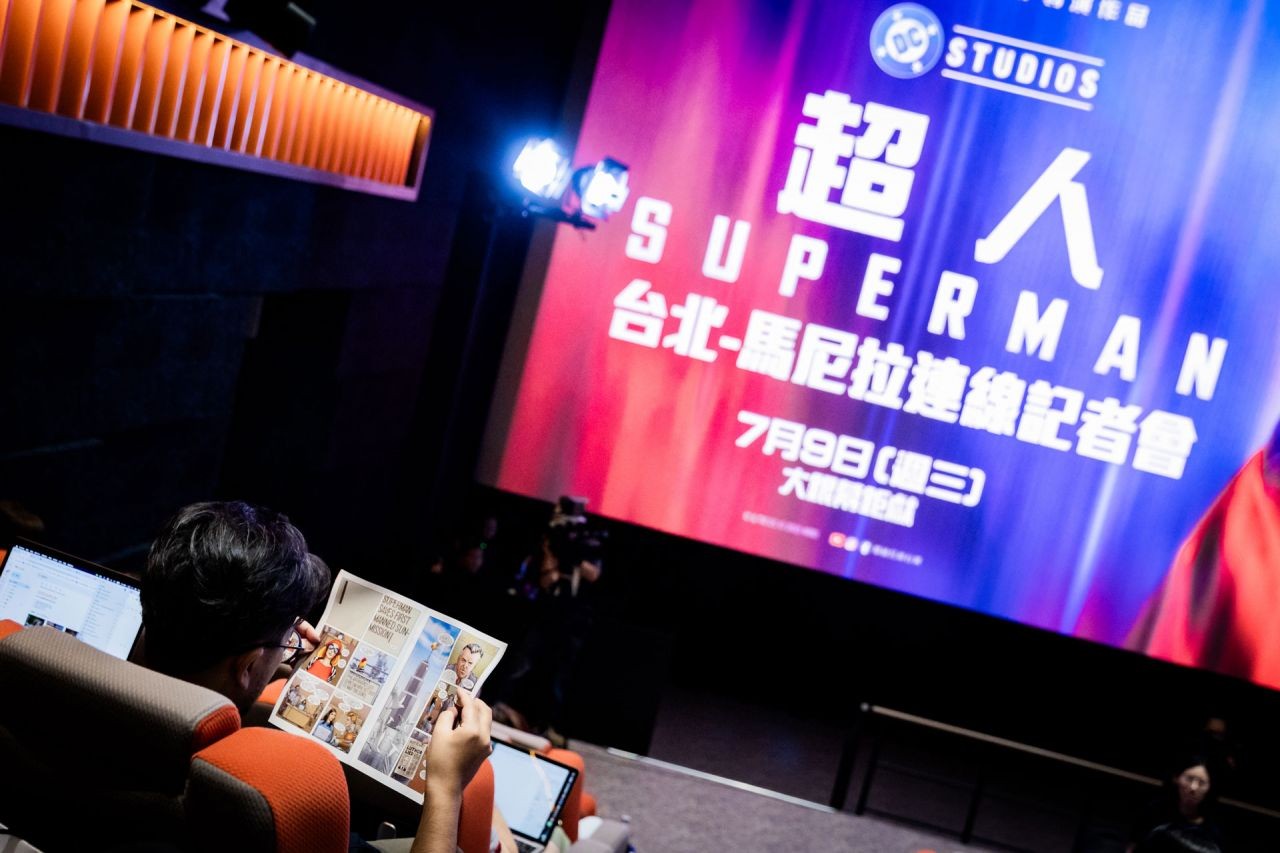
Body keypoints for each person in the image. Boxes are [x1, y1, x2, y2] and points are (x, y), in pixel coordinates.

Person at [139, 501, 492, 853]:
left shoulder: (122, 719)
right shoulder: (266, 797)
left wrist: (271, 657)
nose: (296, 636)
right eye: (285, 636)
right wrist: (446, 789)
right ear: (246, 666)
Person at [1128, 755, 1225, 850]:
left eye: (1202, 783)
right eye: (1189, 778)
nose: (1193, 788)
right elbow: (1132, 847)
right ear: (1176, 778)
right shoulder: (1154, 811)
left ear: (1210, 788)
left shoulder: (1213, 831)